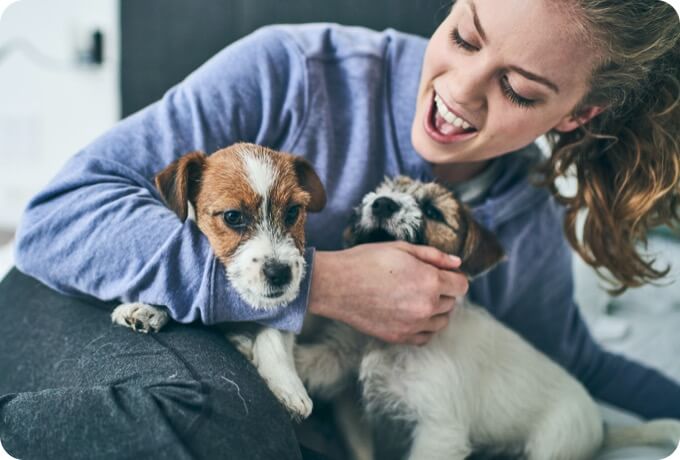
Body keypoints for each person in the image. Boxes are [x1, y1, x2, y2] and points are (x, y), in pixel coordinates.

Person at [1, 0, 678, 458]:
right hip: (76, 301)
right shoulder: (293, 72)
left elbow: (569, 361)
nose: (461, 90)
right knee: (232, 416)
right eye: (465, 36)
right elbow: (54, 221)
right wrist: (319, 285)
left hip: (251, 364)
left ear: (576, 116)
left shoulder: (524, 210)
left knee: (304, 432)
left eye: (520, 90)